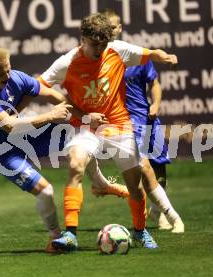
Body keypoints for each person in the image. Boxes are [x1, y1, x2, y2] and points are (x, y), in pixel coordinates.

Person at [39, 12, 181, 252]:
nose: (99, 50)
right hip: (84, 125)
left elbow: (147, 54)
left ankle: (139, 231)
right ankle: (71, 235)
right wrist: (81, 115)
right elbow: (41, 86)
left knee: (135, 186)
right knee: (75, 165)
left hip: (117, 123)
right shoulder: (68, 62)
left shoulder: (117, 50)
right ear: (82, 38)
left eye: (103, 45)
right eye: (94, 44)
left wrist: (161, 56)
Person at [0, 45, 71, 253]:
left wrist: (75, 110)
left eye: (8, 69)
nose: (6, 76)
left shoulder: (15, 77)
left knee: (80, 138)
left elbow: (51, 94)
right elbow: (9, 125)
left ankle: (101, 184)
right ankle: (56, 238)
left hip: (22, 137)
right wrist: (51, 115)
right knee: (46, 191)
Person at [96, 9, 183, 232]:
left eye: (113, 27)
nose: (111, 31)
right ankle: (162, 215)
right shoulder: (103, 58)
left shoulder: (134, 55)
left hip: (148, 116)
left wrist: (155, 104)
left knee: (159, 163)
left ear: (120, 28)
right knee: (142, 166)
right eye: (107, 28)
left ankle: (156, 211)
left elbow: (154, 83)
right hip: (128, 119)